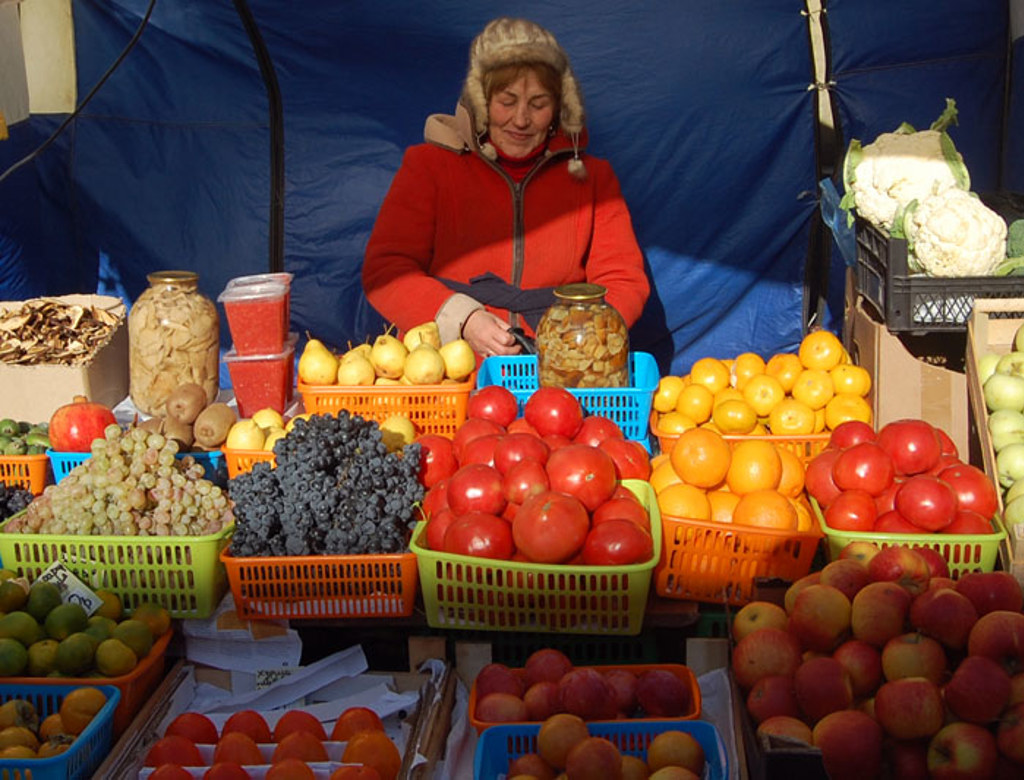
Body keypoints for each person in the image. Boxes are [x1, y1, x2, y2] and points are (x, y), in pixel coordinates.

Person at [362, 17, 650, 358]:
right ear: (480, 101)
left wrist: (583, 340)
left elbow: (623, 279)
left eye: (539, 104)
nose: (521, 120)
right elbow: (387, 270)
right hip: (449, 364)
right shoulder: (429, 167)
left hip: (559, 370)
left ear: (558, 108)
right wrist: (464, 319)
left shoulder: (594, 178)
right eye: (506, 101)